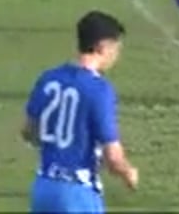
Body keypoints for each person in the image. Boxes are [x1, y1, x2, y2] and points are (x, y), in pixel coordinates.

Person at [23, 11, 138, 213]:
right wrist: (128, 172)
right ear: (102, 47)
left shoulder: (49, 78)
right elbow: (113, 156)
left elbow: (28, 131)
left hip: (43, 188)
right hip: (77, 193)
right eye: (115, 49)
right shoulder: (99, 89)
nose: (116, 56)